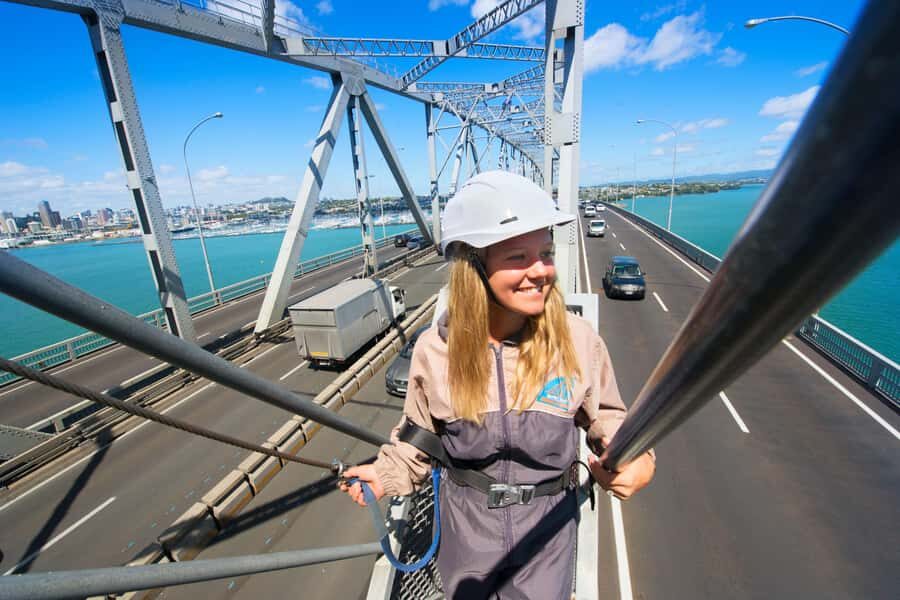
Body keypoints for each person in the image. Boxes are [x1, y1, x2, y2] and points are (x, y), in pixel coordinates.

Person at [340, 170, 655, 599]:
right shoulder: (436, 352)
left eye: (545, 253)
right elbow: (420, 439)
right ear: (475, 267)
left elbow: (611, 419)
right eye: (517, 258)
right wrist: (384, 476)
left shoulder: (578, 341)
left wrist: (636, 458)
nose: (540, 271)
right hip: (468, 537)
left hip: (547, 537)